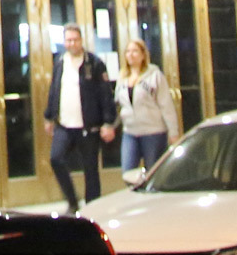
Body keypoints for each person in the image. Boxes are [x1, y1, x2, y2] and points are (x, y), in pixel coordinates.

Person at [45, 23, 117, 214]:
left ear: (81, 40)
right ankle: (72, 200)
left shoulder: (93, 63)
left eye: (75, 40)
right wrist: (49, 116)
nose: (72, 43)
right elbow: (54, 90)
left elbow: (105, 94)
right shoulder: (60, 62)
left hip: (88, 126)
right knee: (56, 158)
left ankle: (93, 208)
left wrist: (108, 122)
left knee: (90, 169)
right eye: (68, 40)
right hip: (64, 125)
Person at [115, 36, 180, 185]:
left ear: (143, 55)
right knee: (128, 173)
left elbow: (166, 105)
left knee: (154, 175)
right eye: (128, 51)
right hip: (130, 131)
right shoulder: (122, 77)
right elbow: (119, 104)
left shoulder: (155, 75)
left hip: (153, 132)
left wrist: (173, 132)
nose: (131, 55)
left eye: (135, 51)